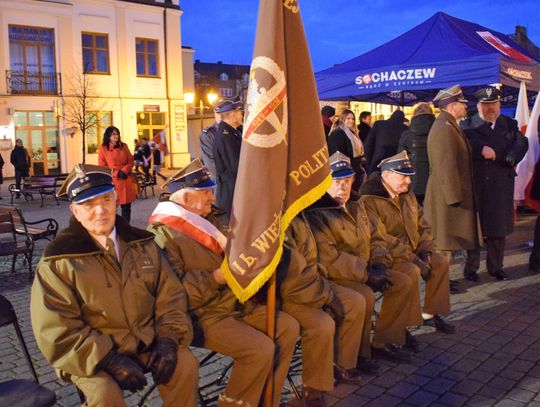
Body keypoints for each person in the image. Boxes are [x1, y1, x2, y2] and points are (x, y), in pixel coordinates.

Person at [30, 164, 198, 407]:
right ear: (74, 211)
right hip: (89, 355)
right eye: (88, 204)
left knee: (184, 365)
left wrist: (168, 339)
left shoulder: (143, 243)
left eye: (106, 199)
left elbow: (170, 297)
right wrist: (108, 359)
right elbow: (58, 329)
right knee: (104, 393)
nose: (100, 210)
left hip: (146, 341)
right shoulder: (58, 261)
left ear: (116, 200)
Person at [148, 159, 299, 407]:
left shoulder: (211, 218)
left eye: (211, 190)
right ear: (184, 199)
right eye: (205, 191)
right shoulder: (163, 234)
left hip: (235, 302)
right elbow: (174, 294)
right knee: (258, 349)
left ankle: (265, 400)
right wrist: (215, 278)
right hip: (201, 315)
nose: (212, 196)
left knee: (287, 327)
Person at [305, 152, 417, 363]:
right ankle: (356, 353)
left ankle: (383, 341)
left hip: (366, 268)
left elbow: (377, 236)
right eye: (336, 181)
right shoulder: (317, 212)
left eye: (347, 181)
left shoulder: (358, 204)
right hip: (336, 275)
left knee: (403, 281)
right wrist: (366, 272)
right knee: (364, 295)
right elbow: (329, 258)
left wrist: (379, 263)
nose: (343, 187)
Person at [360, 151, 454, 334]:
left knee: (440, 261)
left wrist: (425, 250)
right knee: (411, 270)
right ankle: (401, 326)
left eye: (410, 177)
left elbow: (423, 226)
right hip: (387, 255)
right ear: (386, 176)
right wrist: (413, 258)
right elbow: (380, 238)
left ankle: (430, 314)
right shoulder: (369, 200)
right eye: (403, 177)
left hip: (413, 250)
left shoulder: (407, 195)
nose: (409, 182)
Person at [282, 214, 366, 405]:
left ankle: (340, 364)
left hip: (314, 282)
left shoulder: (301, 213)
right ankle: (313, 387)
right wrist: (326, 295)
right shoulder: (282, 219)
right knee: (321, 324)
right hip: (290, 294)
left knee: (354, 301)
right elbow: (292, 278)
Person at [461, 87, 528, 281]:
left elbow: (522, 143)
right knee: (474, 230)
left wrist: (511, 155)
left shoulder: (508, 123)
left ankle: (496, 267)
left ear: (499, 104)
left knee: (498, 230)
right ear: (478, 106)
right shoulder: (467, 125)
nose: (490, 108)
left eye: (493, 104)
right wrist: (479, 148)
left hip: (500, 183)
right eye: (485, 104)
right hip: (477, 184)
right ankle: (470, 269)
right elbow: (461, 145)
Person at [424, 85, 481, 274]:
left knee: (447, 241)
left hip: (450, 195)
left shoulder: (449, 125)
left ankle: (444, 281)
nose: (466, 107)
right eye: (462, 103)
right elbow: (445, 166)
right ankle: (441, 282)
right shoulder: (444, 128)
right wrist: (454, 198)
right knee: (443, 243)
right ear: (451, 106)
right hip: (447, 197)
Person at [398, 102, 436, 205]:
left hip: (413, 180)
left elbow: (401, 159)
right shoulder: (438, 132)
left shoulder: (406, 135)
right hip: (434, 181)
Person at [213, 97, 244, 221]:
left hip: (234, 189)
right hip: (232, 192)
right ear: (233, 115)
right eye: (240, 112)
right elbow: (236, 167)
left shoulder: (232, 133)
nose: (242, 115)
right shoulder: (226, 137)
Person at [98, 126, 137, 223]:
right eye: (113, 134)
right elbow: (103, 166)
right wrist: (116, 173)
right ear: (108, 136)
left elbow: (131, 161)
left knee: (126, 207)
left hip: (126, 179)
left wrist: (124, 170)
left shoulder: (124, 146)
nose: (116, 136)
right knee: (112, 207)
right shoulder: (103, 149)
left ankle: (126, 228)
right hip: (113, 182)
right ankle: (112, 227)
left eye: (117, 134)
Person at [327, 109, 365, 191]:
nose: (351, 121)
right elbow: (337, 154)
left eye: (353, 119)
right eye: (348, 118)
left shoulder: (352, 133)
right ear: (342, 119)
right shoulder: (338, 132)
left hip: (354, 168)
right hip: (345, 170)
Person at [364, 110, 408, 174]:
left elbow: (367, 145)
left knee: (374, 183)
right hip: (395, 167)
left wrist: (369, 162)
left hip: (376, 164)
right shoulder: (405, 129)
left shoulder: (379, 124)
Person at [200, 108, 222, 179]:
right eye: (218, 113)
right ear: (214, 113)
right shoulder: (209, 134)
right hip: (221, 181)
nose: (221, 116)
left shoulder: (239, 130)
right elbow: (212, 165)